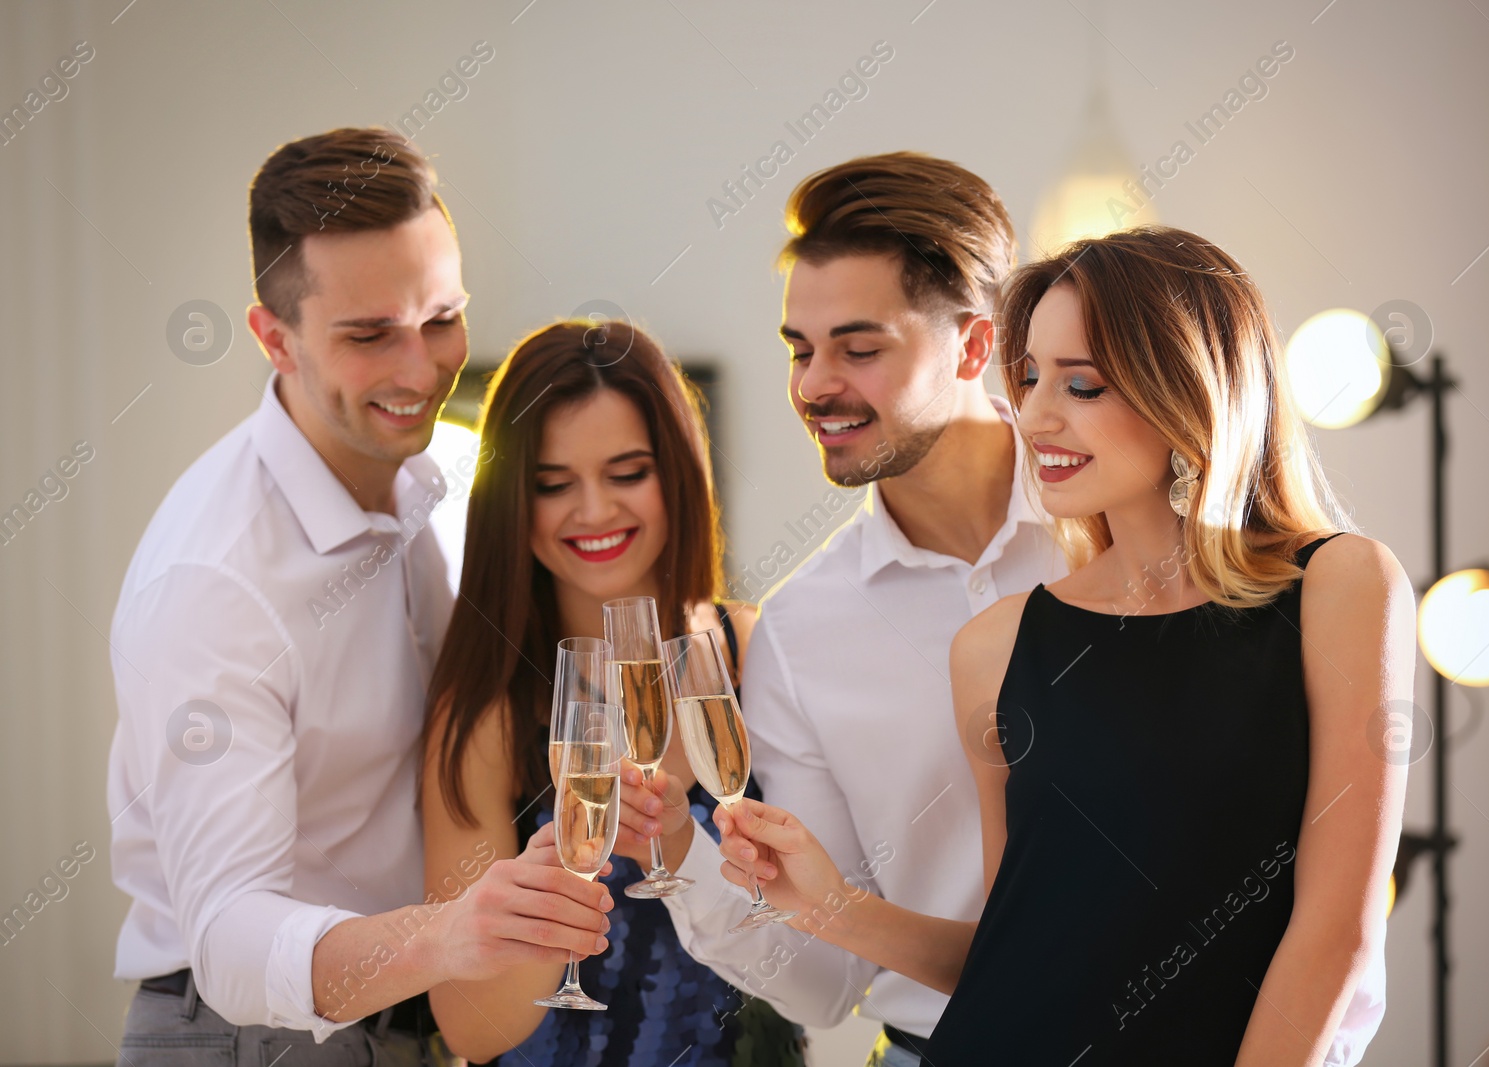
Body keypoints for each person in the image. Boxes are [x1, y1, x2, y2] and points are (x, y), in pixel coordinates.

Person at [713, 227, 1405, 1065]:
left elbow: (1337, 933)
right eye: (1030, 376)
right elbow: (1019, 955)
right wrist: (829, 906)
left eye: (1081, 384)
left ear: (1190, 389)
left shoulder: (1340, 586)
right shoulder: (996, 648)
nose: (1036, 413)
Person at [106, 128, 611, 1064]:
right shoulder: (213, 582)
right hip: (248, 1040)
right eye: (369, 335)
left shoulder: (462, 476)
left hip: (429, 1027)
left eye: (442, 318)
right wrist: (453, 933)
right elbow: (227, 939)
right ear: (274, 337)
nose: (421, 370)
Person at [617, 151, 1062, 1067]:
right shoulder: (803, 630)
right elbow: (825, 983)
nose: (815, 385)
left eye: (859, 349)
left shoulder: (1115, 533)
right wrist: (681, 852)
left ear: (975, 346)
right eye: (800, 348)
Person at [421, 320, 805, 1066]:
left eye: (627, 472)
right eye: (552, 484)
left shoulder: (751, 651)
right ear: (510, 501)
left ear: (679, 475)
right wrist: (569, 863)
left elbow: (817, 941)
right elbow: (469, 1027)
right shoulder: (488, 707)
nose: (592, 510)